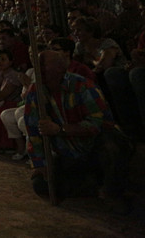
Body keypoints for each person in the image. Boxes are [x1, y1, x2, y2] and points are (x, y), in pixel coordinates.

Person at [25, 50, 135, 213]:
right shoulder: (36, 91)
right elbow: (33, 130)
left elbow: (98, 124)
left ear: (60, 68)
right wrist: (40, 163)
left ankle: (113, 193)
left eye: (43, 64)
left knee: (112, 147)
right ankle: (93, 184)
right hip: (71, 153)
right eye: (37, 64)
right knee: (41, 184)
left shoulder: (82, 86)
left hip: (95, 146)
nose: (38, 68)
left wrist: (60, 129)